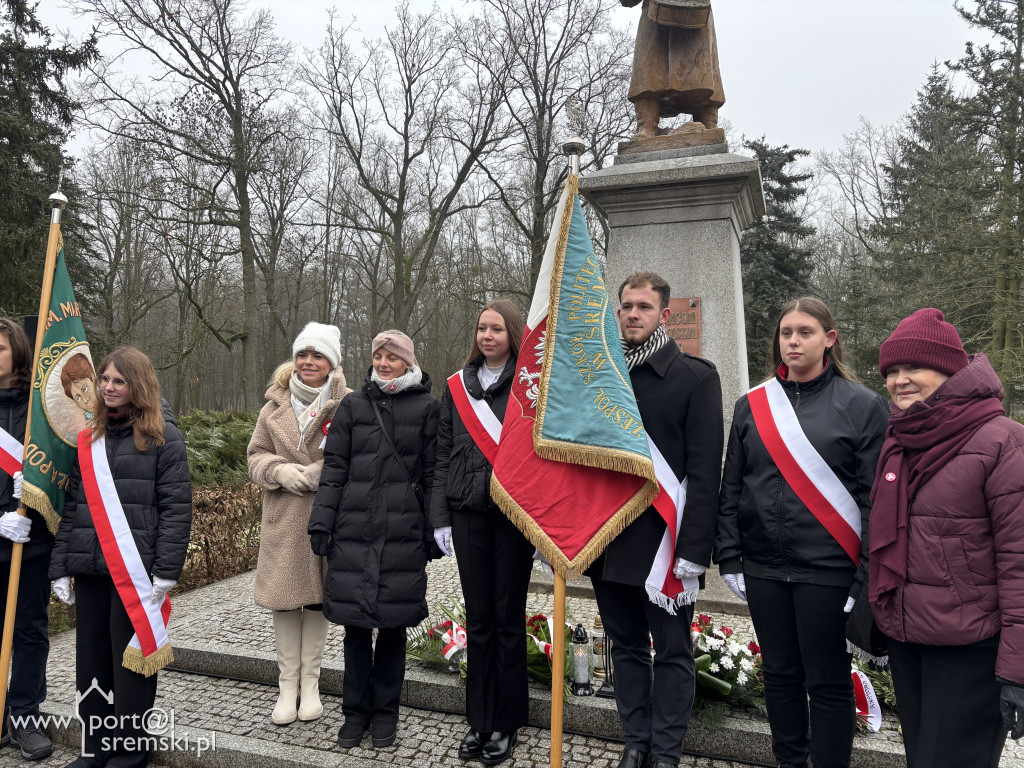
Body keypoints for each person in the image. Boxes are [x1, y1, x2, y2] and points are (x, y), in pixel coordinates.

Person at [714, 297, 888, 768]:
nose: (792, 340)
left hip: (829, 571)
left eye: (805, 332)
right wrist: (729, 555)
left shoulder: (865, 405)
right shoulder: (752, 405)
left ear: (829, 338)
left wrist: (865, 577)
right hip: (765, 568)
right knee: (780, 676)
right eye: (786, 332)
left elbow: (876, 500)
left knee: (828, 682)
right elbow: (732, 484)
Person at [869, 308, 1024, 768]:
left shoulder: (1002, 442)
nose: (900, 380)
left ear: (950, 370)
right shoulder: (900, 440)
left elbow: (1019, 562)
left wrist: (1017, 671)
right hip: (910, 642)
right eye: (892, 371)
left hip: (971, 652)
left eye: (914, 367)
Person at [584, 272, 724, 768]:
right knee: (623, 647)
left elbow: (706, 473)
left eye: (644, 307)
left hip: (664, 543)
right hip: (607, 537)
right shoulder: (601, 376)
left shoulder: (696, 377)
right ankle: (635, 742)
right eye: (626, 306)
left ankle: (665, 752)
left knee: (671, 652)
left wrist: (692, 549)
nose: (633, 314)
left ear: (664, 315)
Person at [49, 347, 192, 768]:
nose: (109, 388)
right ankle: (96, 748)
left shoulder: (163, 435)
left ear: (138, 385)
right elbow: (74, 505)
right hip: (91, 570)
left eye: (119, 381)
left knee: (130, 661)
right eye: (105, 380)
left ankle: (130, 752)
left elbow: (176, 507)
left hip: (136, 573)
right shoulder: (89, 437)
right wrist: (60, 568)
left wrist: (166, 572)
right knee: (91, 660)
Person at [309, 330, 439, 751]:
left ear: (408, 362)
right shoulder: (354, 405)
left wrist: (435, 530)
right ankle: (354, 712)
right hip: (354, 531)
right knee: (355, 629)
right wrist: (321, 523)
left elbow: (434, 474)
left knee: (394, 629)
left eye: (392, 357)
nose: (383, 363)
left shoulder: (427, 408)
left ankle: (386, 712)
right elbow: (335, 469)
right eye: (378, 356)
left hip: (402, 535)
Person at [429, 299, 531, 767]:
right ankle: (479, 717)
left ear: (512, 333)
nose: (487, 336)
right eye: (481, 328)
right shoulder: (456, 387)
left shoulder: (531, 385)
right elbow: (443, 452)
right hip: (467, 513)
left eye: (496, 329)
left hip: (513, 518)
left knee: (508, 619)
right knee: (479, 619)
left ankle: (506, 721)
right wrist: (441, 517)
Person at [247, 322, 350, 725]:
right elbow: (255, 455)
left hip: (327, 517)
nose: (309, 362)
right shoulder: (272, 406)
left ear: (332, 363)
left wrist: (323, 471)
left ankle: (311, 685)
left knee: (318, 599)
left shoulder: (347, 404)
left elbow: (357, 452)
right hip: (284, 517)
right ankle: (286, 686)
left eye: (317, 355)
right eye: (303, 354)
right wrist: (278, 470)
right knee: (285, 602)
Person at [0, 318, 53, 760]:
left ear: (17, 352)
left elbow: (64, 474)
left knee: (30, 632)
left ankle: (24, 715)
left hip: (32, 544)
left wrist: (37, 494)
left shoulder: (43, 408)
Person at [619, 0, 725, 138]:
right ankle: (647, 126)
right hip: (654, 15)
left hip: (695, 14)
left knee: (701, 69)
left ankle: (708, 124)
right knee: (648, 70)